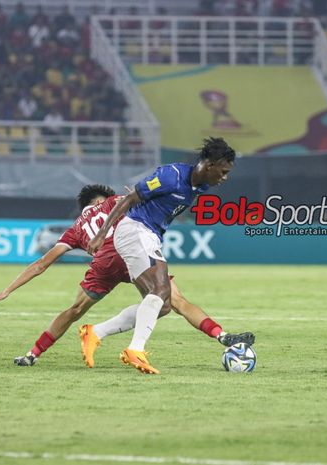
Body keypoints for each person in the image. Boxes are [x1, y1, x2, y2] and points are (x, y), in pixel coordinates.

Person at [0, 184, 253, 367]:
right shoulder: (113, 202)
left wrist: (8, 289)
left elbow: (42, 264)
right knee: (172, 302)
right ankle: (221, 335)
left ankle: (32, 354)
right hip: (129, 249)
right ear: (100, 200)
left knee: (75, 308)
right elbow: (142, 200)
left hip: (103, 263)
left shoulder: (75, 229)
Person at [88, 137, 235, 374]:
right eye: (224, 171)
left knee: (163, 305)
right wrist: (101, 234)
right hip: (136, 229)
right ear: (210, 165)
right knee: (161, 289)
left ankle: (95, 332)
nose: (225, 177)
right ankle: (135, 350)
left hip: (150, 236)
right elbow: (129, 199)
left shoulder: (202, 186)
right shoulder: (171, 175)